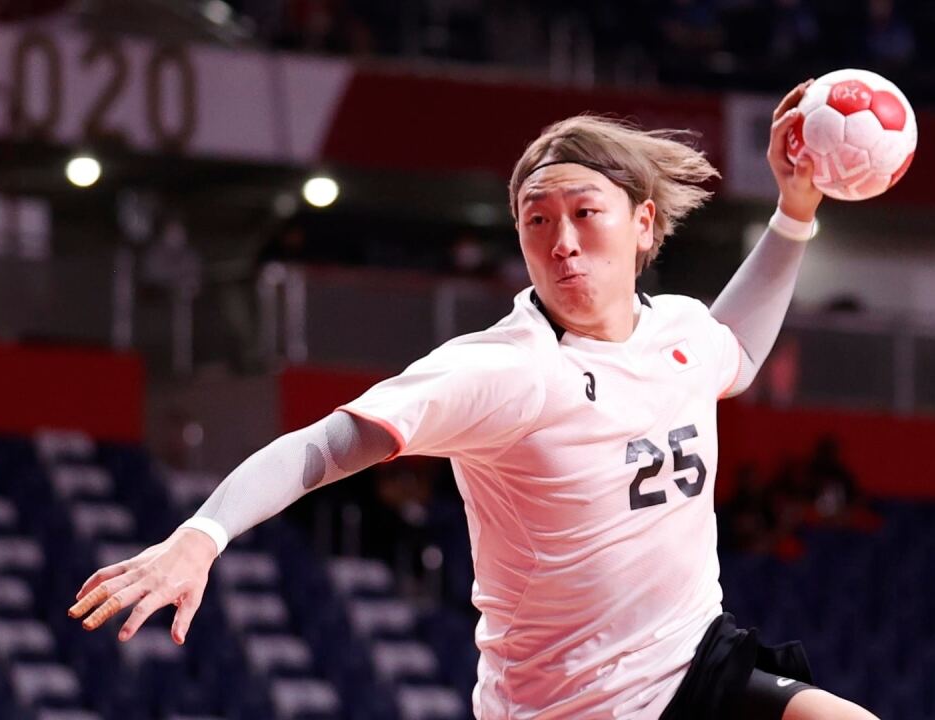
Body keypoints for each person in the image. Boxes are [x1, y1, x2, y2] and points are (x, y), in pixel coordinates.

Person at [68, 81, 879, 719]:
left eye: (585, 214)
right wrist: (202, 536)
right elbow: (322, 445)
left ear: (643, 223)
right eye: (537, 220)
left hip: (697, 664)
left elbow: (733, 350)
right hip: (568, 707)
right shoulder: (501, 372)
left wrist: (794, 213)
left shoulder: (677, 331)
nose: (560, 239)